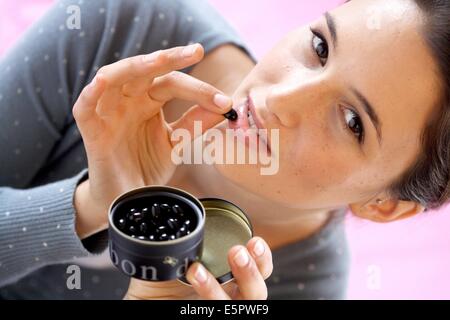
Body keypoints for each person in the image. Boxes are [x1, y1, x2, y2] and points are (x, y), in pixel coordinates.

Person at [1, 0, 449, 300]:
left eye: (353, 122)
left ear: (385, 205)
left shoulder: (306, 285)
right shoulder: (126, 27)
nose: (279, 100)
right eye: (320, 46)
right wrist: (92, 205)